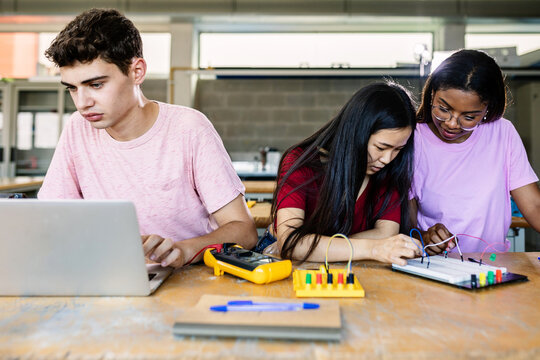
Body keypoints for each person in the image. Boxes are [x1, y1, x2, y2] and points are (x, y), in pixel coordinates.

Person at [38, 8, 258, 268]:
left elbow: (244, 231)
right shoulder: (77, 129)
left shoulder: (189, 128)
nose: (83, 103)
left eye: (96, 85)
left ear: (137, 72)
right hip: (110, 273)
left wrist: (185, 250)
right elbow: (53, 222)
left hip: (187, 280)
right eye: (72, 89)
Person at [260, 82, 422, 266]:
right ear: (356, 133)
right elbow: (291, 243)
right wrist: (373, 248)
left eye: (398, 149)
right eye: (381, 147)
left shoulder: (390, 170)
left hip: (347, 265)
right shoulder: (301, 163)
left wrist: (316, 246)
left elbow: (386, 234)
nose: (387, 159)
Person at [410, 49, 540, 254]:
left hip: (493, 267)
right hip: (434, 269)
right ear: (432, 93)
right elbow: (404, 221)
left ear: (487, 109)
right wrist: (424, 237)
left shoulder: (502, 133)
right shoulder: (413, 139)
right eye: (443, 109)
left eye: (469, 117)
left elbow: (534, 206)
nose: (452, 124)